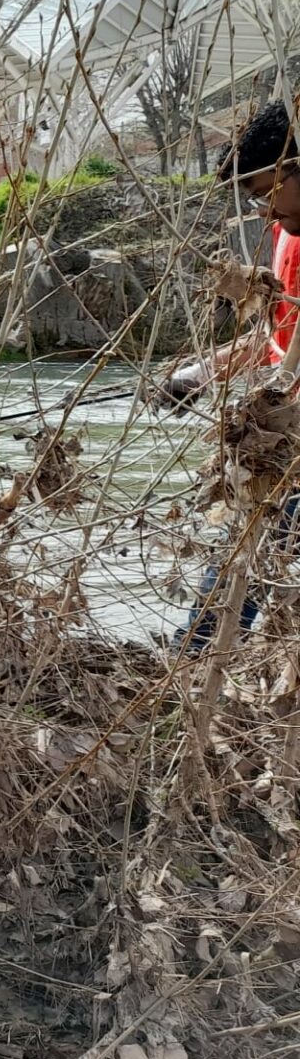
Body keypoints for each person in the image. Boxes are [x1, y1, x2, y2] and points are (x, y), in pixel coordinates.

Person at [162, 100, 300, 654]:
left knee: (248, 542)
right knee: (244, 543)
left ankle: (199, 657)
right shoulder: (290, 236)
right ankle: (199, 658)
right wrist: (198, 373)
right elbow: (277, 338)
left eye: (265, 191)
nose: (264, 211)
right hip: (286, 431)